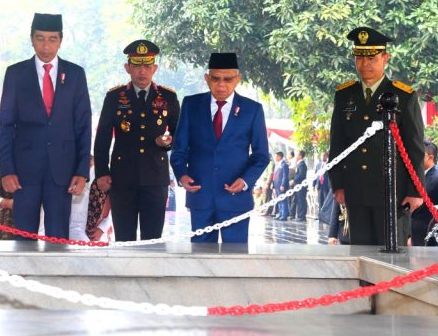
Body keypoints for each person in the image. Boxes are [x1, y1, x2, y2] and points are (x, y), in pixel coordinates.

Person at [0, 13, 92, 240]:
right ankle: (21, 277)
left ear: (60, 40)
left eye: (52, 39)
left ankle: (57, 277)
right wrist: (7, 169)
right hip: (24, 171)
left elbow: (83, 125)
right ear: (31, 39)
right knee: (23, 238)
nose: (46, 46)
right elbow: (5, 125)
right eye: (40, 38)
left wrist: (81, 171)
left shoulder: (76, 74)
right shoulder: (16, 73)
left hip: (63, 170)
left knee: (59, 238)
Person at [327, 27, 424, 246]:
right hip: (356, 188)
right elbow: (338, 143)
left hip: (392, 191)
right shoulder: (345, 95)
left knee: (391, 254)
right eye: (360, 58)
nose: (365, 64)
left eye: (372, 58)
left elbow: (415, 148)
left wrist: (415, 190)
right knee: (359, 251)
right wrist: (338, 184)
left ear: (385, 58)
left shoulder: (403, 95)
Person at [170, 52, 270, 244]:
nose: (221, 84)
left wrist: (245, 180)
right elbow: (179, 150)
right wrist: (182, 175)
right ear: (207, 78)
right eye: (215, 78)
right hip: (200, 197)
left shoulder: (252, 110)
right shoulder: (191, 105)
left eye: (228, 79)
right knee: (200, 261)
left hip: (236, 199)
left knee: (235, 262)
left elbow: (261, 156)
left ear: (238, 79)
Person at [92, 39, 180, 241]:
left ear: (155, 68)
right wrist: (102, 173)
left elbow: (179, 136)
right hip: (122, 178)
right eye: (137, 65)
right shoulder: (115, 97)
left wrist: (167, 142)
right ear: (127, 68)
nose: (142, 71)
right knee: (123, 238)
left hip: (155, 178)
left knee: (153, 239)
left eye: (147, 66)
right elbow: (103, 137)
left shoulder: (167, 97)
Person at [271, 151, 290, 220]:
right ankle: (280, 213)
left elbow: (285, 176)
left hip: (281, 185)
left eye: (276, 156)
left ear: (279, 157)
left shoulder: (284, 165)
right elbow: (274, 175)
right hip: (276, 185)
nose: (275, 158)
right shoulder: (277, 164)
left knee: (283, 200)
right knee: (278, 200)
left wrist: (283, 185)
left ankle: (284, 215)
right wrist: (273, 185)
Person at [290, 150, 308, 220]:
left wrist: (294, 180)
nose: (296, 156)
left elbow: (301, 175)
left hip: (301, 186)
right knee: (298, 200)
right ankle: (299, 215)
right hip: (297, 185)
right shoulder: (299, 164)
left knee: (301, 201)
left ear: (300, 156)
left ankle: (302, 216)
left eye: (297, 155)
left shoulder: (302, 164)